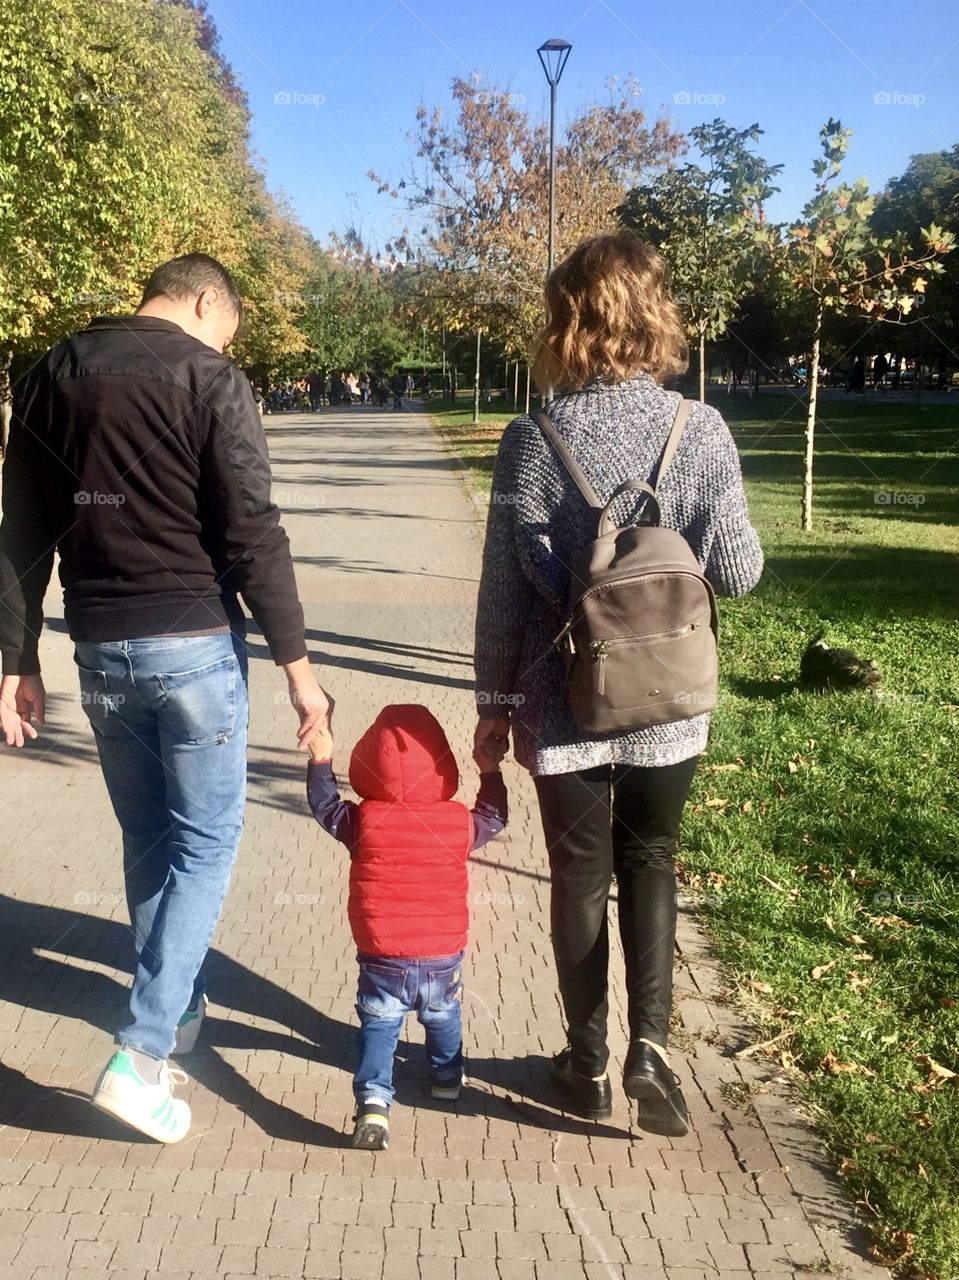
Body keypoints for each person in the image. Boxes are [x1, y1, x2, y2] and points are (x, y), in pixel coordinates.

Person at [0, 252, 333, 1144]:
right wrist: (301, 671)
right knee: (206, 842)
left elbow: (21, 528)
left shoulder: (53, 370)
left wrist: (16, 658)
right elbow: (253, 531)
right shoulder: (210, 378)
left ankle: (176, 1008)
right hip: (193, 650)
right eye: (230, 327)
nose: (231, 344)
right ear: (202, 301)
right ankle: (142, 1054)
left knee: (151, 838)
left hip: (100, 651)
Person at [473, 233, 763, 1136]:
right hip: (670, 703)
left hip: (563, 701)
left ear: (566, 323)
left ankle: (586, 1061)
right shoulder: (700, 429)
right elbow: (741, 571)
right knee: (651, 862)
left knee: (578, 874)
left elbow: (503, 597)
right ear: (655, 317)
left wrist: (492, 706)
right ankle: (655, 1049)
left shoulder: (532, 439)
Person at [306, 704, 507, 1151]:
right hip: (441, 955)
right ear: (443, 766)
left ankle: (374, 1103)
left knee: (379, 1025)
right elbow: (493, 816)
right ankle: (446, 1078)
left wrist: (321, 758)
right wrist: (489, 771)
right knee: (443, 1014)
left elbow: (325, 807)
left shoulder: (364, 823)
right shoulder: (457, 823)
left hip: (382, 955)